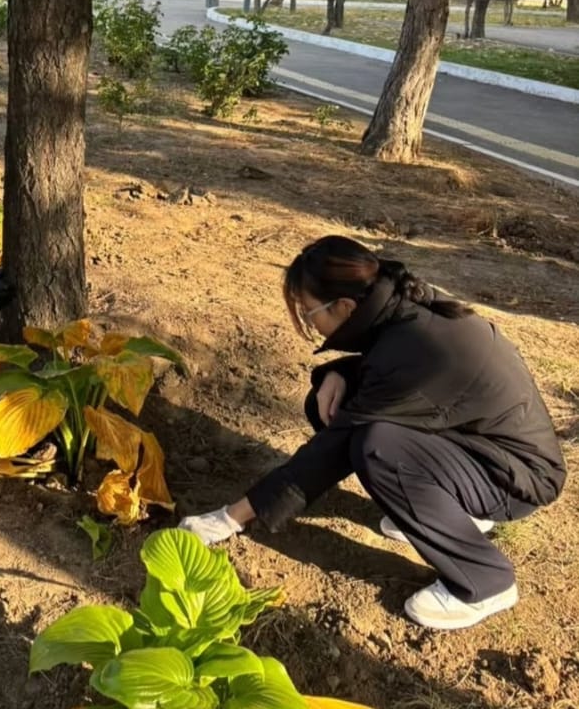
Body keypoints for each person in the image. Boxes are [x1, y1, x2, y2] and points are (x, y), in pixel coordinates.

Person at [179, 236, 566, 631]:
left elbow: (330, 451)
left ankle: (485, 581)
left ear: (344, 306)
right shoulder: (403, 302)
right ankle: (448, 509)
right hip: (475, 445)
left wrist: (231, 517)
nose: (308, 323)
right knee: (332, 405)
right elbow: (395, 374)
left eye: (309, 312)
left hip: (512, 478)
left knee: (377, 446)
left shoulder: (421, 345)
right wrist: (334, 372)